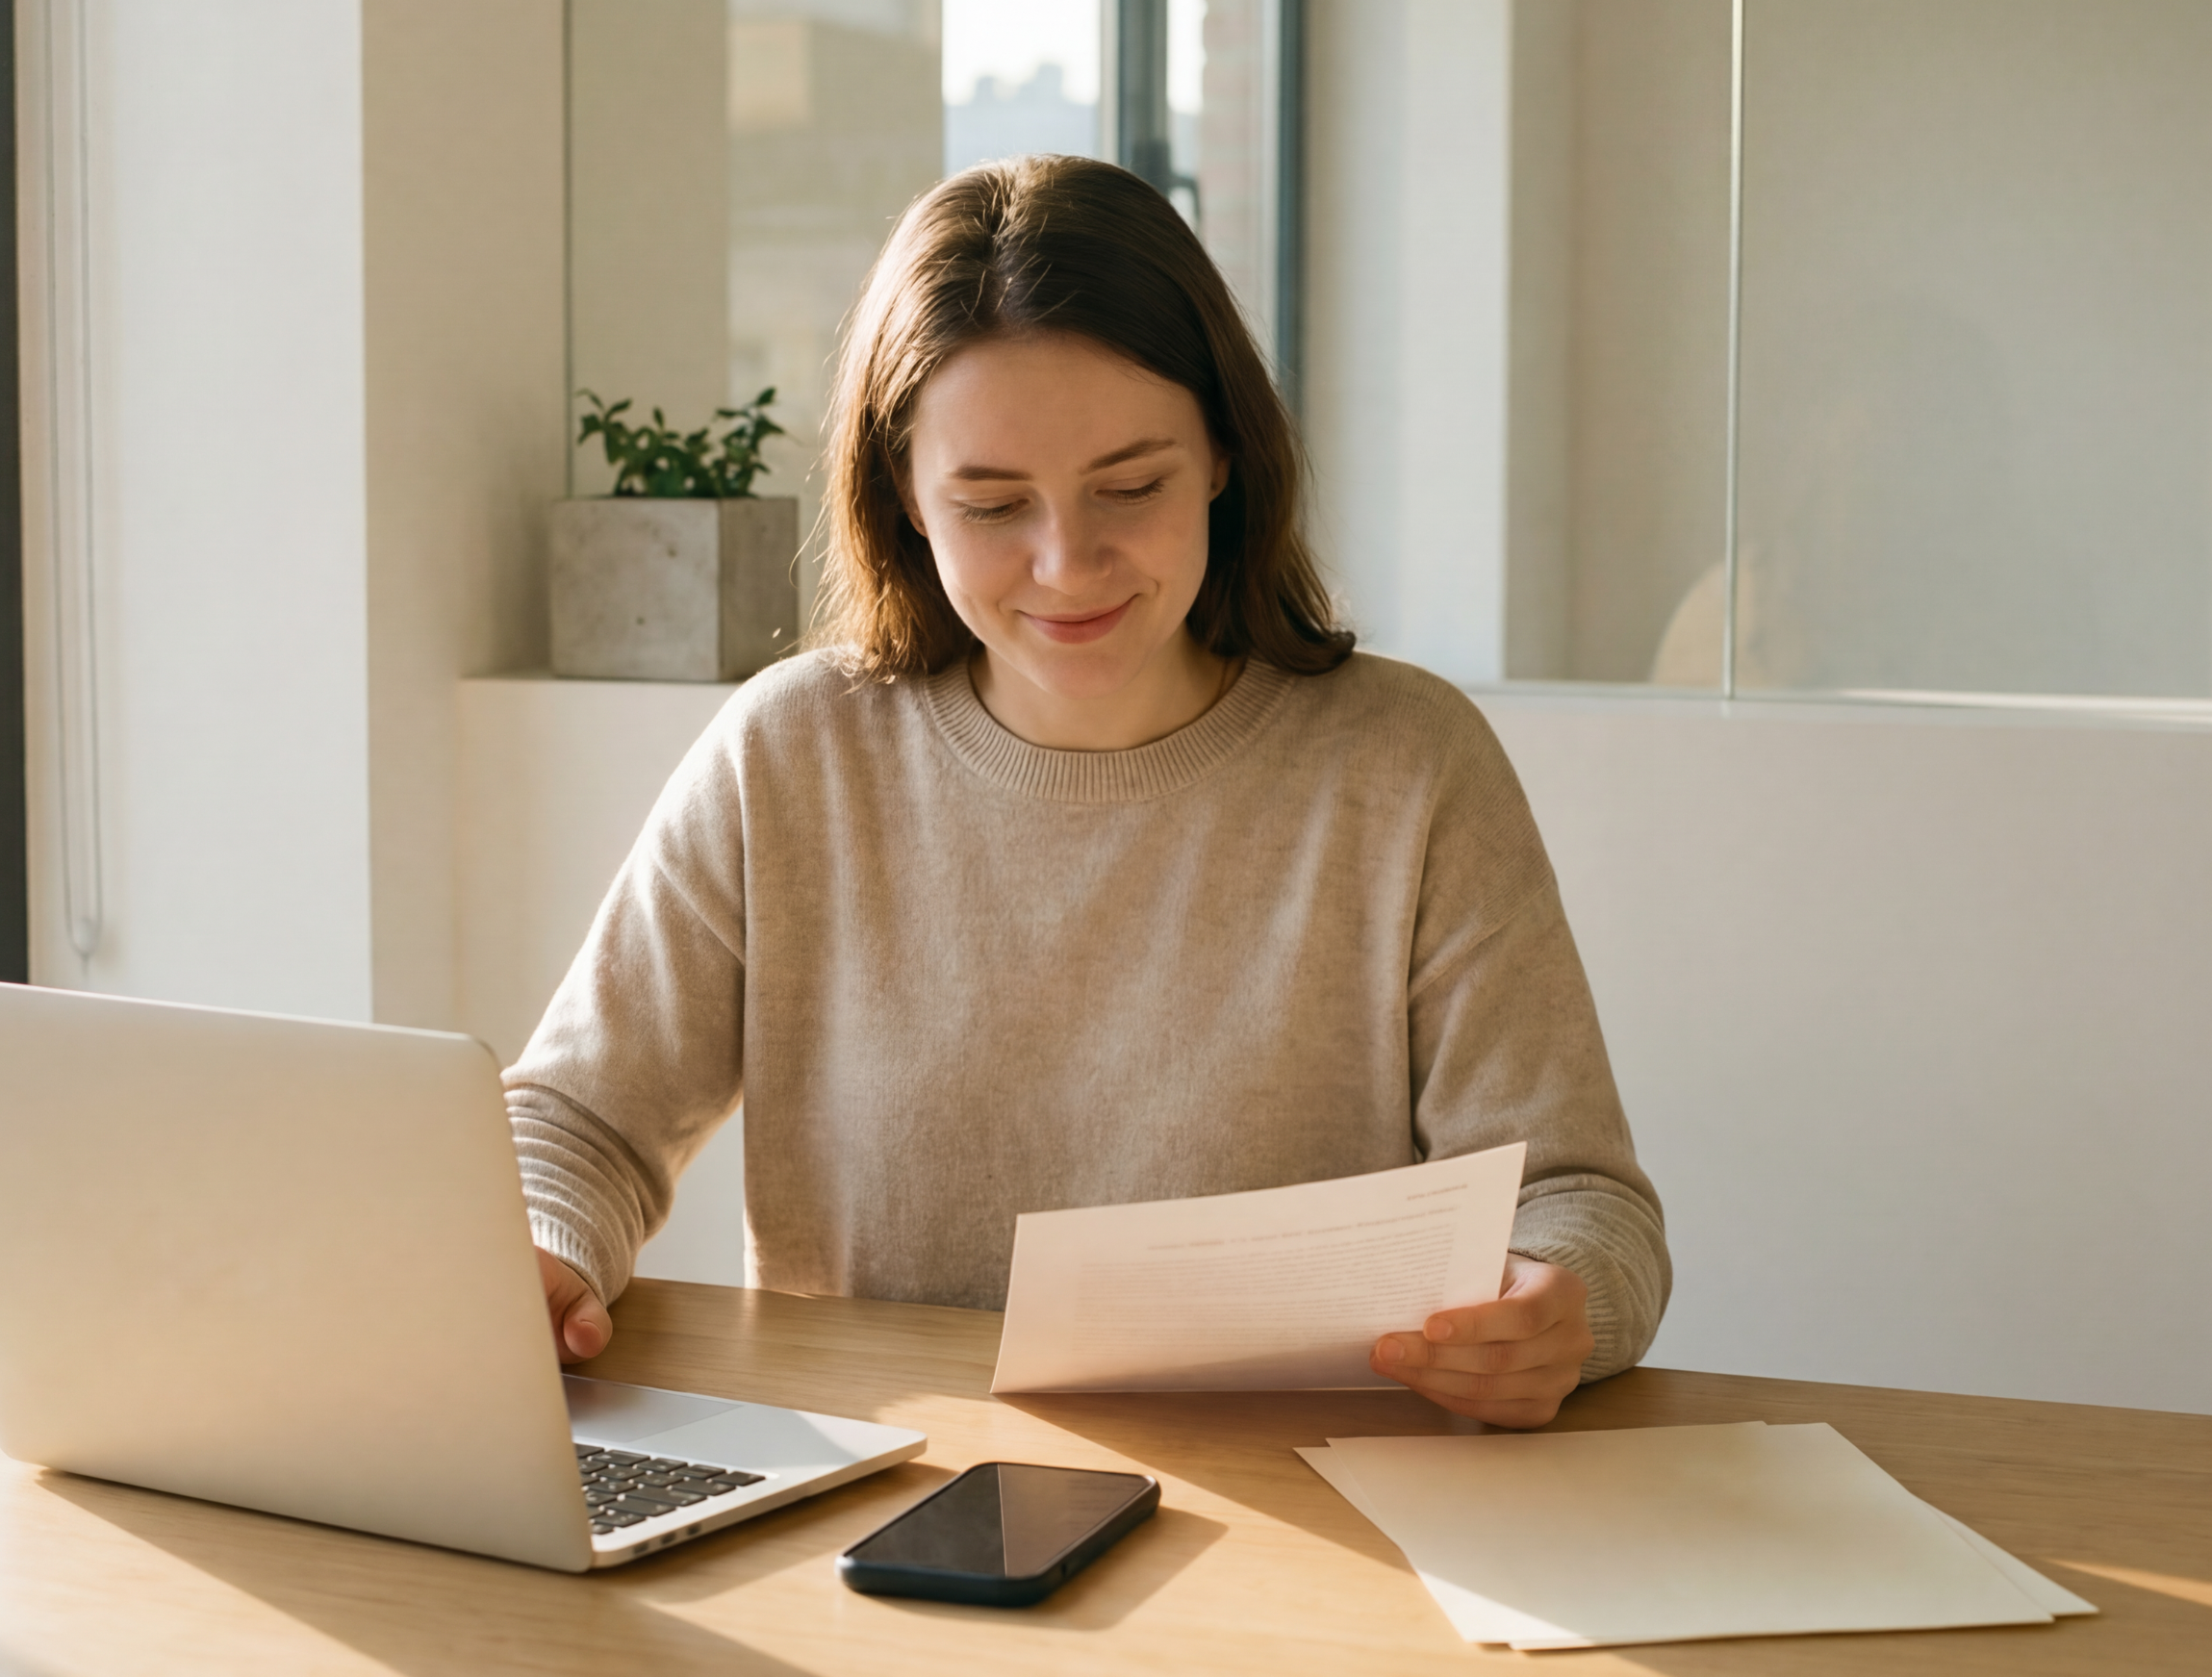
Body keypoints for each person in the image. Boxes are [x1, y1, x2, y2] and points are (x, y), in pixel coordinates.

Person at [511, 156, 1667, 1430]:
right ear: (906, 495)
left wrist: (1558, 1303)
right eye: (993, 503)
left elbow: (1579, 1202)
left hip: (1304, 1514)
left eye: (1132, 487)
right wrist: (537, 1250)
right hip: (878, 1492)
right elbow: (573, 1122)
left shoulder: (1404, 764)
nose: (1067, 564)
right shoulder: (789, 756)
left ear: (1224, 453)